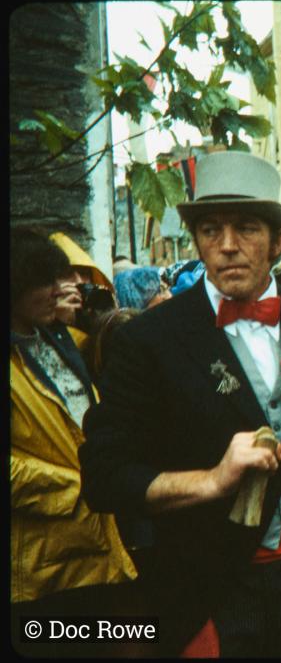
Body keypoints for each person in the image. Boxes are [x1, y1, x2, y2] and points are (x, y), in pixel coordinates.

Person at [79, 151, 281, 656]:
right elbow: (104, 476)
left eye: (246, 228)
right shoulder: (148, 340)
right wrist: (210, 480)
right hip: (212, 589)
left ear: (277, 241)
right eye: (211, 229)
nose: (227, 247)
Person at [11, 228, 137, 656]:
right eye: (42, 282)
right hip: (46, 563)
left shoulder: (58, 337)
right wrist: (78, 487)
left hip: (97, 546)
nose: (55, 291)